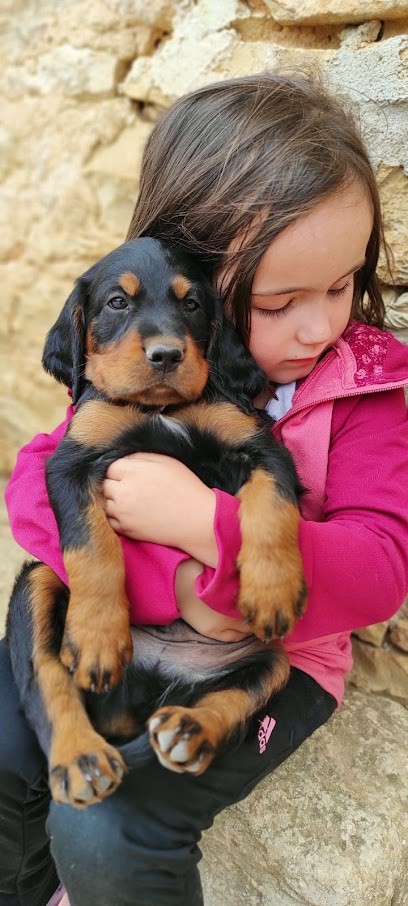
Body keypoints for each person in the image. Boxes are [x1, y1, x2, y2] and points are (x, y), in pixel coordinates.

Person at [1, 70, 408, 906]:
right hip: (118, 627)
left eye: (342, 285)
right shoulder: (142, 363)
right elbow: (39, 493)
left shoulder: (367, 383)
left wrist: (205, 530)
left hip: (266, 657)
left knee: (110, 825)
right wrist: (176, 583)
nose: (321, 325)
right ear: (201, 272)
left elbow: (380, 568)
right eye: (281, 298)